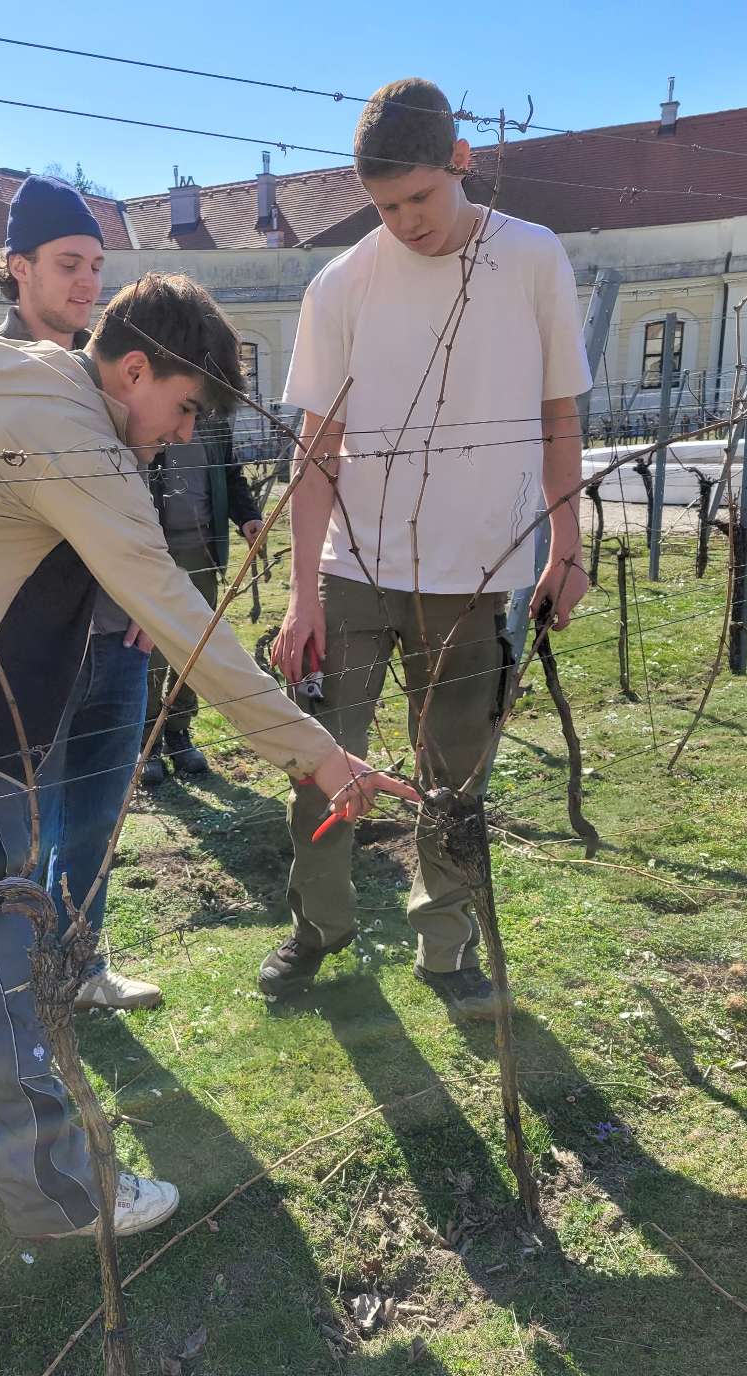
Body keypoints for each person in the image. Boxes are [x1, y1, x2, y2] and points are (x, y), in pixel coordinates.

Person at [0, 273, 413, 1241]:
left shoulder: (0, 374)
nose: (185, 435)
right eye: (184, 408)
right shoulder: (73, 436)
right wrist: (315, 753)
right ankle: (60, 1192)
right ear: (135, 370)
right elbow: (180, 614)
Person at [260, 76, 590, 1013]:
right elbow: (317, 450)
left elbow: (558, 416)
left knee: (454, 780)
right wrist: (302, 594)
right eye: (386, 206)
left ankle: (445, 948)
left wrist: (566, 546)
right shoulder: (340, 285)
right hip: (354, 570)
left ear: (461, 159)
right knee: (324, 763)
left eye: (420, 197)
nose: (407, 223)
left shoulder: (532, 257)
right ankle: (319, 927)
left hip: (479, 575)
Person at [0, 174, 161, 1012]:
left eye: (96, 265)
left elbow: (134, 502)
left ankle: (82, 966)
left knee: (95, 819)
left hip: (119, 638)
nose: (88, 283)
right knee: (30, 826)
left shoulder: (110, 378)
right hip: (30, 648)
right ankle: (21, 983)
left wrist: (148, 600)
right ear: (17, 266)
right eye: (68, 264)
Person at [141, 418, 263, 785]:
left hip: (202, 552)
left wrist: (248, 516)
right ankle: (146, 743)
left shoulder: (212, 421)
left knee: (196, 645)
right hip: (153, 551)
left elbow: (230, 475)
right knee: (152, 649)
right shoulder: (151, 412)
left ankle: (179, 731)